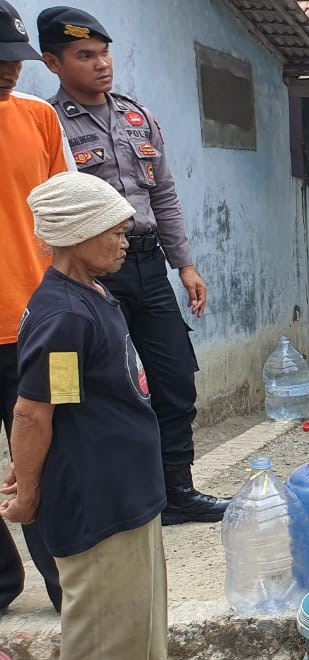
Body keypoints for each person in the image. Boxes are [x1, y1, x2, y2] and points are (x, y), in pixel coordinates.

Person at [38, 7, 228, 525]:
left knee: (174, 381)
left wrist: (184, 265)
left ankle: (176, 493)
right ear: (53, 63)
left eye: (104, 54)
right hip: (92, 274)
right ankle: (119, 497)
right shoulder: (47, 123)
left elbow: (163, 195)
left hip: (148, 267)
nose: (101, 65)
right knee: (105, 388)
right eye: (85, 56)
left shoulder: (135, 116)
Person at [3, 172, 167, 660]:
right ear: (76, 233)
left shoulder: (91, 295)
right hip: (98, 506)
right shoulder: (65, 314)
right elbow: (34, 412)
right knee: (98, 638)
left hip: (123, 496)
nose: (125, 242)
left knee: (121, 634)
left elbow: (65, 400)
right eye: (114, 232)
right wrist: (27, 492)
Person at [0, 0, 70, 618]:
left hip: (39, 322)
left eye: (15, 59)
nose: (7, 71)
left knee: (50, 448)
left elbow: (65, 216)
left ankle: (62, 581)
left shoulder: (39, 119)